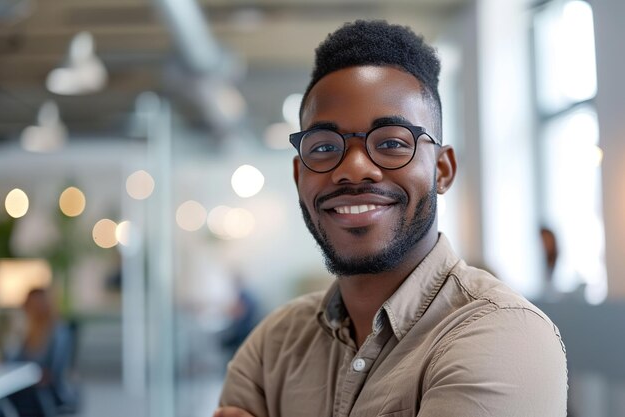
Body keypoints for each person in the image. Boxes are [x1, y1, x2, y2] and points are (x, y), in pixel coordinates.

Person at [214, 20, 568, 417]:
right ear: (300, 176)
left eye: (393, 143)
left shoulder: (504, 334)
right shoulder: (274, 344)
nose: (353, 169)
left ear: (443, 169)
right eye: (325, 146)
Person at [5, 288, 78, 416]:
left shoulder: (58, 331)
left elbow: (57, 370)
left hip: (46, 389)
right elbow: (10, 360)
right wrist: (18, 332)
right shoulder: (25, 330)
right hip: (23, 384)